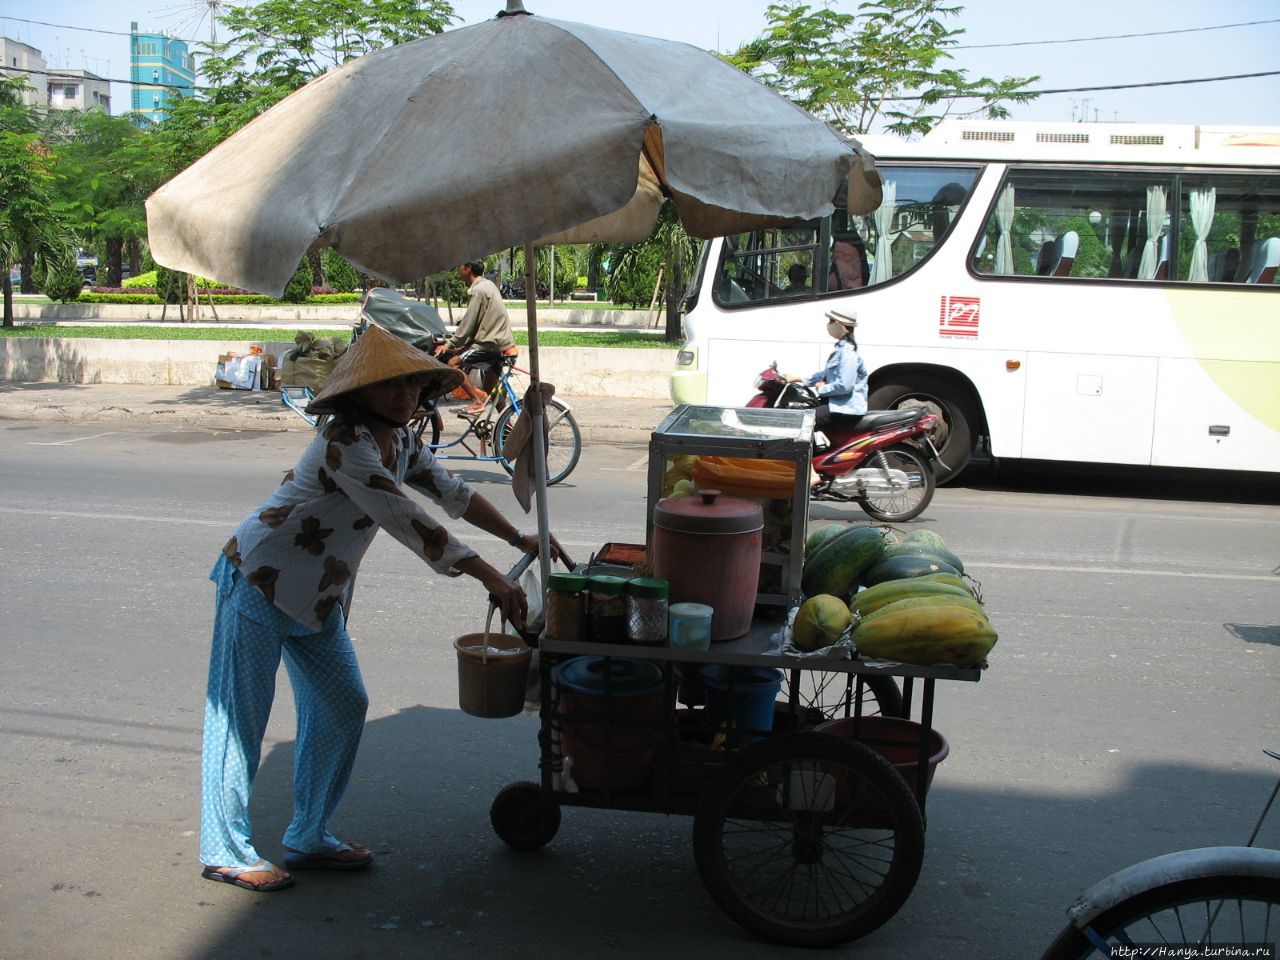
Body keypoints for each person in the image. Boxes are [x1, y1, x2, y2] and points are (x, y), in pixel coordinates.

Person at [199, 323, 567, 893]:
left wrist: (519, 539)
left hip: (318, 598)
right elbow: (408, 519)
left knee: (344, 703)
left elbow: (456, 495)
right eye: (390, 386)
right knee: (240, 718)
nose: (404, 396)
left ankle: (308, 833)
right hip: (259, 582)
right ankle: (224, 848)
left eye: (413, 385)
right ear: (359, 392)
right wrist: (489, 575)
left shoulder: (405, 441)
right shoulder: (345, 442)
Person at [433, 258, 517, 415]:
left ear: (468, 268)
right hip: (501, 344)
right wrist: (463, 343)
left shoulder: (478, 291)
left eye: (459, 265)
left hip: (488, 344)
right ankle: (505, 426)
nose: (458, 269)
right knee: (489, 389)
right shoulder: (489, 285)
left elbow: (467, 325)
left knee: (453, 364)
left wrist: (449, 344)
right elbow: (480, 322)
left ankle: (476, 402)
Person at [795, 312, 868, 432]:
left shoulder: (847, 352)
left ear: (840, 325)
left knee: (803, 420)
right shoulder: (841, 348)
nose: (828, 325)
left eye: (831, 321)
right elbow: (826, 375)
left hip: (845, 408)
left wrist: (822, 389)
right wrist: (798, 378)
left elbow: (845, 385)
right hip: (837, 405)